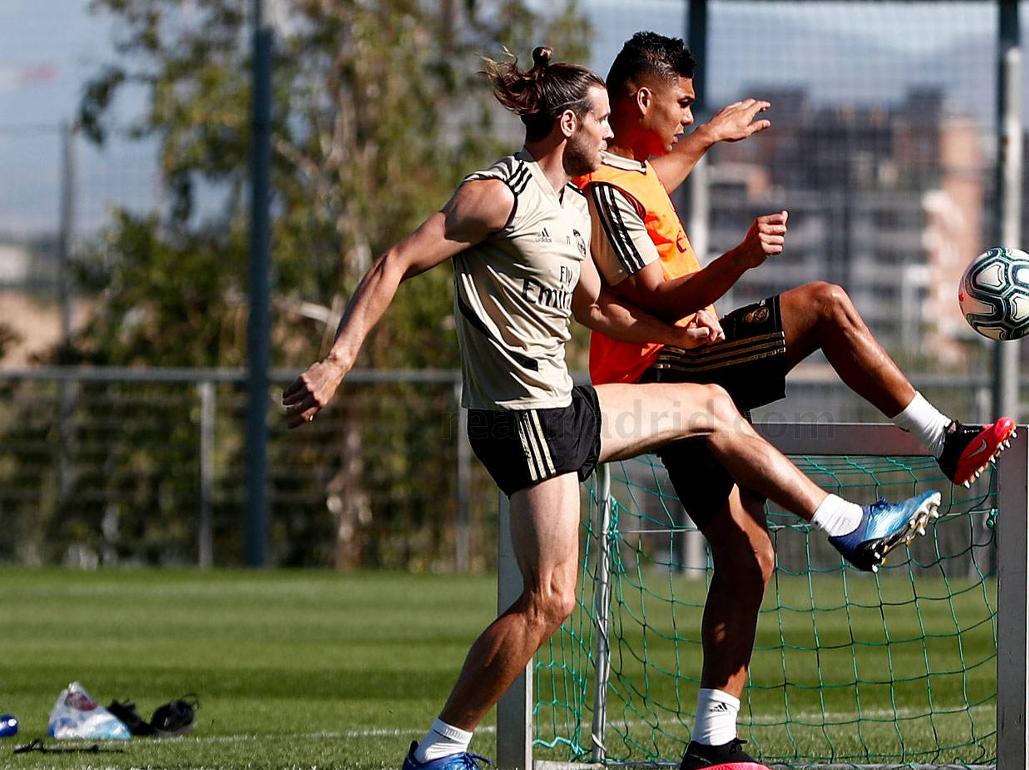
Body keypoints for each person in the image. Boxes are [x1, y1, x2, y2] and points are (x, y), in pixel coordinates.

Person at [281, 48, 941, 770]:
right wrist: (336, 361)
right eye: (599, 120)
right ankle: (441, 750)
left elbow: (597, 307)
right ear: (567, 124)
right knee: (550, 601)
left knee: (711, 405)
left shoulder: (572, 205)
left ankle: (847, 524)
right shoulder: (496, 194)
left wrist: (673, 331)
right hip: (521, 420)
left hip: (562, 407)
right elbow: (395, 263)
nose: (610, 133)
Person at [574, 31, 1017, 770]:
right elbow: (656, 292)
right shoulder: (608, 189)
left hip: (672, 371)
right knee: (822, 305)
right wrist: (740, 259)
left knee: (749, 556)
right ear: (638, 99)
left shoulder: (632, 169)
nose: (690, 115)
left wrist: (712, 136)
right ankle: (946, 441)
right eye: (683, 103)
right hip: (662, 375)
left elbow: (660, 176)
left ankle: (713, 746)